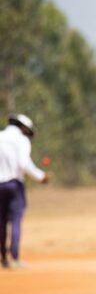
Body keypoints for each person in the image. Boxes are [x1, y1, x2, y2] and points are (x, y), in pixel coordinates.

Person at [0, 114, 48, 269]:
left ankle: (3, 258)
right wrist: (41, 176)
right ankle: (14, 257)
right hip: (14, 185)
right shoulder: (21, 140)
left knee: (1, 222)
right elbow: (23, 164)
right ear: (23, 128)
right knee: (15, 220)